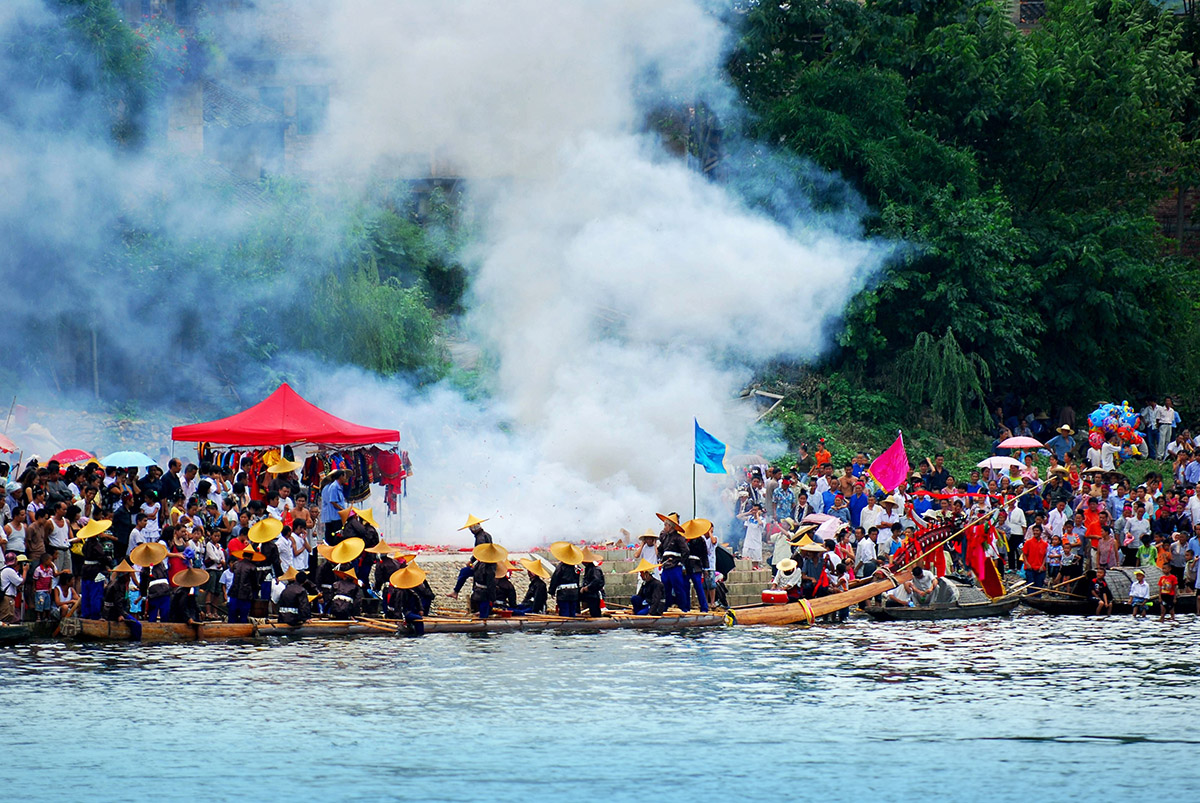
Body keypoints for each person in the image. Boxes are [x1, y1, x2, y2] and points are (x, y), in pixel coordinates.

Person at [655, 513, 690, 611]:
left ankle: (683, 609)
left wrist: (681, 563)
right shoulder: (665, 538)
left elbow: (686, 551)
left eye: (666, 525)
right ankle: (666, 608)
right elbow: (660, 549)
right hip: (666, 567)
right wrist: (661, 558)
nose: (664, 527)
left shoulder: (679, 538)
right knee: (665, 589)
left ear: (670, 526)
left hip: (675, 567)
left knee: (678, 588)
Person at [682, 518, 711, 613]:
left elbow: (704, 555)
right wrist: (682, 566)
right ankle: (686, 608)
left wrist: (706, 568)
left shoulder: (701, 540)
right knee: (685, 587)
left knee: (698, 587)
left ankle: (704, 607)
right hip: (686, 566)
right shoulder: (685, 540)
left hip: (697, 566)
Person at [227, 547, 262, 624]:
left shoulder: (236, 564)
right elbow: (255, 583)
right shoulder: (252, 567)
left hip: (234, 593)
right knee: (243, 617)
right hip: (245, 595)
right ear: (251, 557)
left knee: (232, 616)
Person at [549, 542, 583, 617]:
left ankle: (565, 628)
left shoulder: (560, 567)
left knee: (565, 612)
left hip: (563, 593)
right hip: (574, 593)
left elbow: (555, 579)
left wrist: (552, 591)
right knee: (572, 611)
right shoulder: (576, 567)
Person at [469, 542, 502, 619]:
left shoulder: (479, 564)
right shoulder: (490, 568)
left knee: (479, 612)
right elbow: (491, 584)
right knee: (484, 616)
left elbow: (475, 578)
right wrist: (493, 599)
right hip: (484, 595)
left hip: (476, 592)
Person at [579, 549, 605, 617]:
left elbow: (597, 581)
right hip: (590, 594)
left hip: (594, 594)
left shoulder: (595, 569)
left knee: (595, 611)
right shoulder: (589, 568)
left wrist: (587, 588)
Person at [31, 552, 56, 622]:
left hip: (47, 589)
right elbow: (35, 579)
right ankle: (38, 616)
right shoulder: (38, 569)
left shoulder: (50, 569)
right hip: (40, 589)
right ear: (45, 561)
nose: (51, 562)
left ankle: (46, 617)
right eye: (50, 560)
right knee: (39, 603)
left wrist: (50, 587)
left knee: (47, 603)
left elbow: (51, 578)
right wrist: (34, 587)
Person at [0, 554, 23, 623]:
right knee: (6, 615)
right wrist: (25, 571)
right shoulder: (9, 570)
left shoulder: (3, 569)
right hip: (7, 596)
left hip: (6, 596)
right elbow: (20, 582)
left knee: (8, 616)